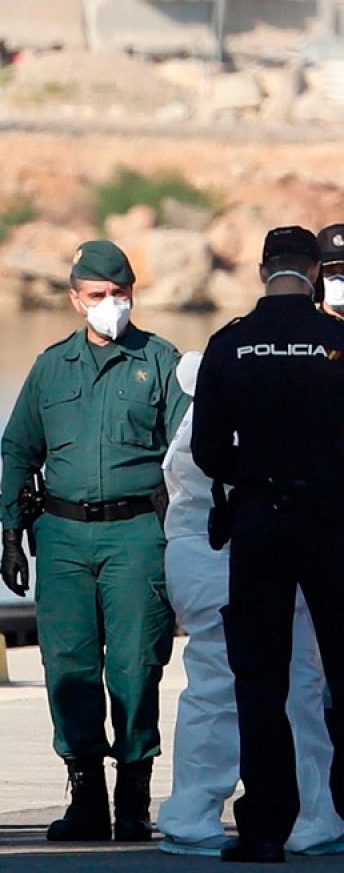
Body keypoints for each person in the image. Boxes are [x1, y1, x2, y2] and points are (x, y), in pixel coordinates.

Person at [191, 225, 344, 863]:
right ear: (311, 272)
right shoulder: (338, 342)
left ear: (261, 270)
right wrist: (339, 470)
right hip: (326, 525)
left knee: (261, 678)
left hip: (257, 523)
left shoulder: (230, 344)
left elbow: (207, 451)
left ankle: (262, 831)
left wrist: (255, 471)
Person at [0, 240, 185, 843]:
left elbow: (191, 454)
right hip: (62, 538)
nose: (112, 305)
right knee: (69, 667)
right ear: (77, 299)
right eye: (99, 296)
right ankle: (84, 794)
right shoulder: (52, 366)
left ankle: (133, 794)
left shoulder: (161, 361)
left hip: (137, 533)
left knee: (135, 667)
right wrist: (9, 533)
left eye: (121, 293)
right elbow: (18, 450)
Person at [157, 352, 344, 858]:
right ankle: (314, 816)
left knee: (210, 688)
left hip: (194, 560)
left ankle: (192, 814)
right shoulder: (240, 424)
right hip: (238, 561)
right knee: (296, 686)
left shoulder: (190, 430)